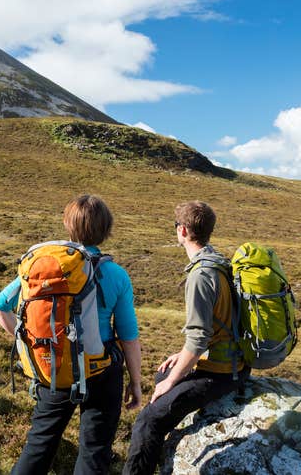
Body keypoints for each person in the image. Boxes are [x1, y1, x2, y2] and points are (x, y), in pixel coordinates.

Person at [0, 194, 143, 474]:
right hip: (101, 371)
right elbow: (128, 336)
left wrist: (28, 344)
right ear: (107, 229)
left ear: (66, 224)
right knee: (94, 452)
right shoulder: (116, 274)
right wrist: (135, 382)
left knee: (39, 445)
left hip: (55, 365)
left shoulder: (44, 268)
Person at [123, 201, 249, 475]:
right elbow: (218, 325)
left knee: (148, 419)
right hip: (231, 361)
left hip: (220, 372)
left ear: (182, 231)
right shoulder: (215, 260)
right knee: (163, 375)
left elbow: (199, 339)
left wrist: (172, 381)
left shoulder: (201, 276)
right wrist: (180, 361)